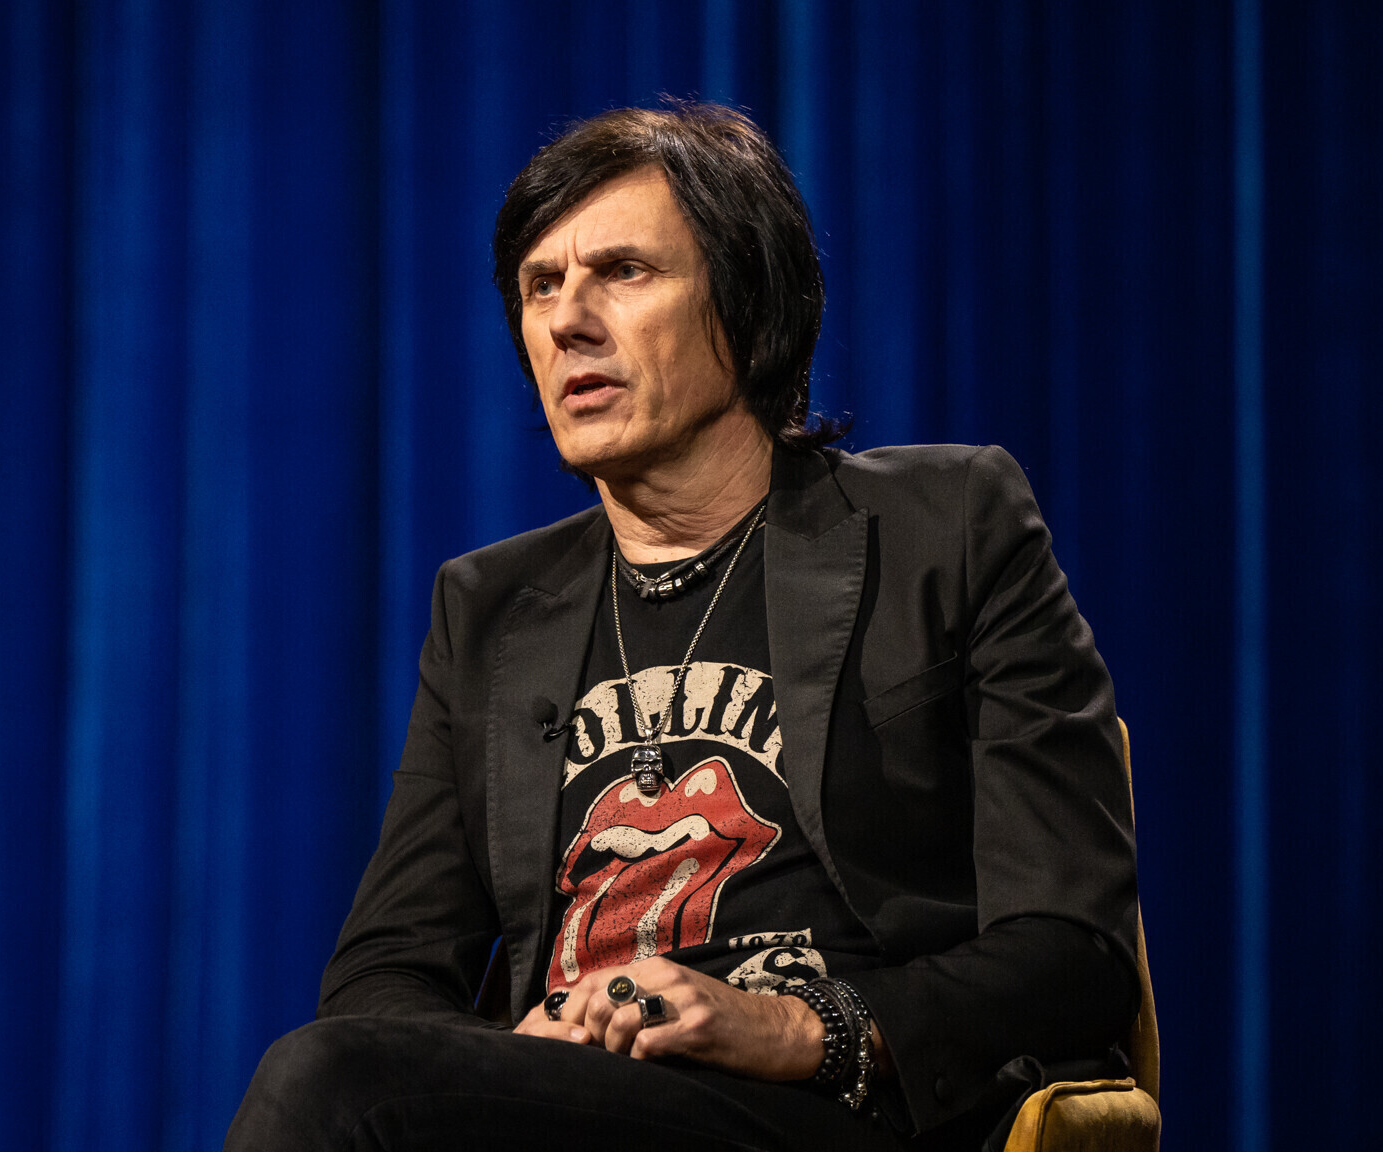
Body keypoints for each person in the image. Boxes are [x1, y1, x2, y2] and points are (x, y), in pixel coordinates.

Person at [226, 102, 1139, 1152]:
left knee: (328, 1084)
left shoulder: (946, 526)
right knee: (336, 1072)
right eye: (540, 285)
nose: (565, 320)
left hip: (827, 1110)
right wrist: (517, 1053)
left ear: (749, 309)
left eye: (622, 271)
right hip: (578, 1106)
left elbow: (1072, 949)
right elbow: (382, 976)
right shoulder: (487, 607)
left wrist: (795, 1027)